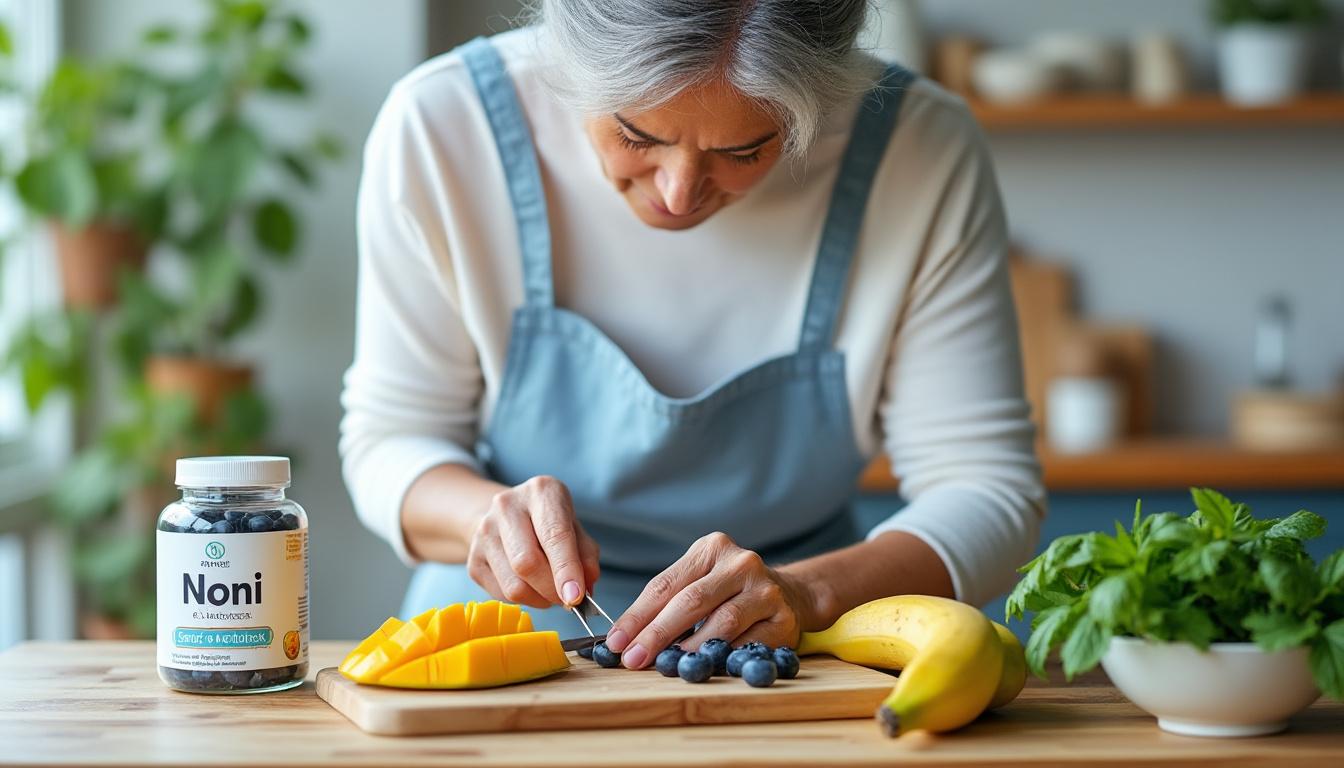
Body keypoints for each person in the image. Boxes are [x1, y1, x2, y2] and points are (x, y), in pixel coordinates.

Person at [340, 0, 1044, 671]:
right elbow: (390, 439)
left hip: (789, 647)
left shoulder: (919, 151)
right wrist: (477, 519)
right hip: (506, 628)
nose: (679, 193)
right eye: (636, 136)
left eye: (745, 149)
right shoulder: (443, 128)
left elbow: (985, 488)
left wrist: (807, 594)